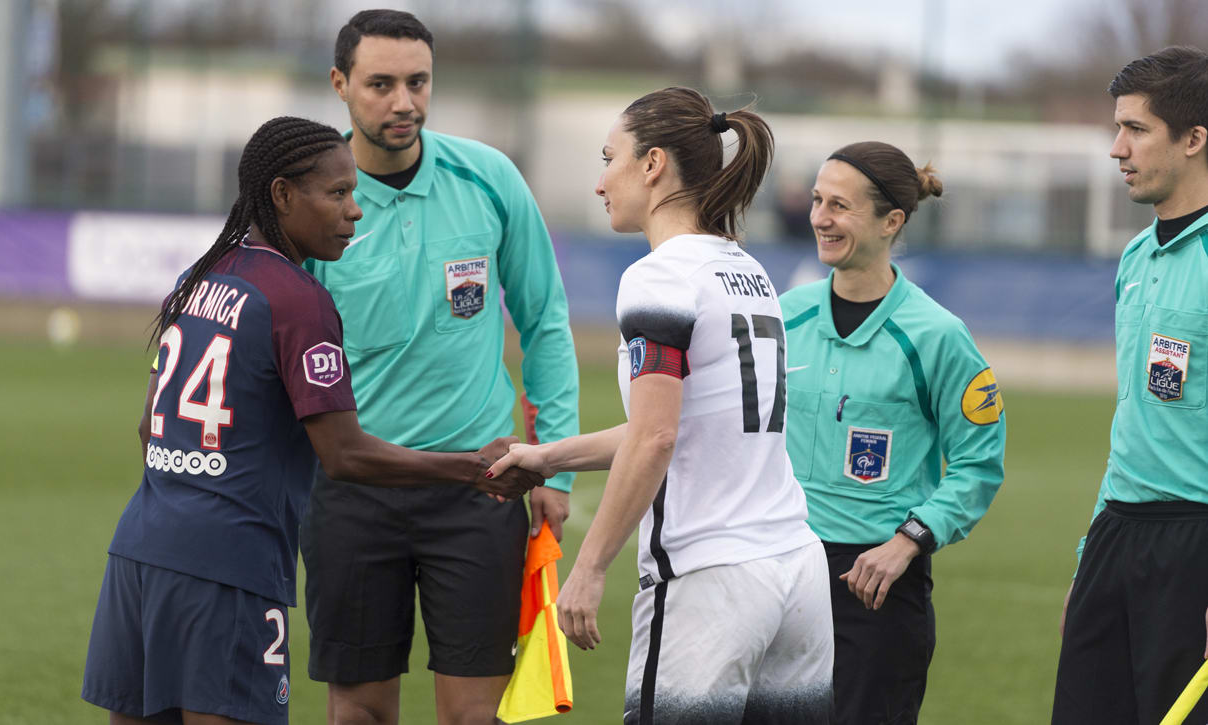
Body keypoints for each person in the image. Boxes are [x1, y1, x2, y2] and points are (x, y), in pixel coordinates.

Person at [81, 116, 540, 725]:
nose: (355, 211)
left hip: (140, 551)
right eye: (338, 193)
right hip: (228, 568)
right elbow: (345, 455)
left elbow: (148, 430)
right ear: (282, 195)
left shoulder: (197, 279)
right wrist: (474, 470)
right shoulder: (298, 298)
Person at [489, 86, 833, 724]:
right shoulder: (747, 269)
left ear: (652, 165)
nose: (599, 182)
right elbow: (683, 424)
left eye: (607, 157)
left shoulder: (659, 276)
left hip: (712, 581)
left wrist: (589, 568)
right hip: (795, 570)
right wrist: (546, 456)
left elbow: (656, 439)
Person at [297, 10, 580, 725]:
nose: (404, 102)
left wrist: (555, 468)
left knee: (474, 715)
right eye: (381, 84)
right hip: (353, 486)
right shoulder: (304, 194)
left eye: (418, 82)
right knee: (358, 710)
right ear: (340, 84)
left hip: (479, 488)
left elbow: (545, 320)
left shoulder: (488, 178)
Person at [777, 141, 1007, 724]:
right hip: (775, 573)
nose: (820, 218)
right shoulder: (784, 315)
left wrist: (907, 541)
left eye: (840, 207)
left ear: (892, 221)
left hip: (873, 587)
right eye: (816, 201)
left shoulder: (937, 335)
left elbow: (979, 464)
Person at [1053, 46, 1208, 725]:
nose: (1116, 148)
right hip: (1117, 533)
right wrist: (1092, 552)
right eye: (1117, 128)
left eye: (1136, 129)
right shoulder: (1136, 255)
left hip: (1194, 542)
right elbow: (1133, 416)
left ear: (1195, 138)